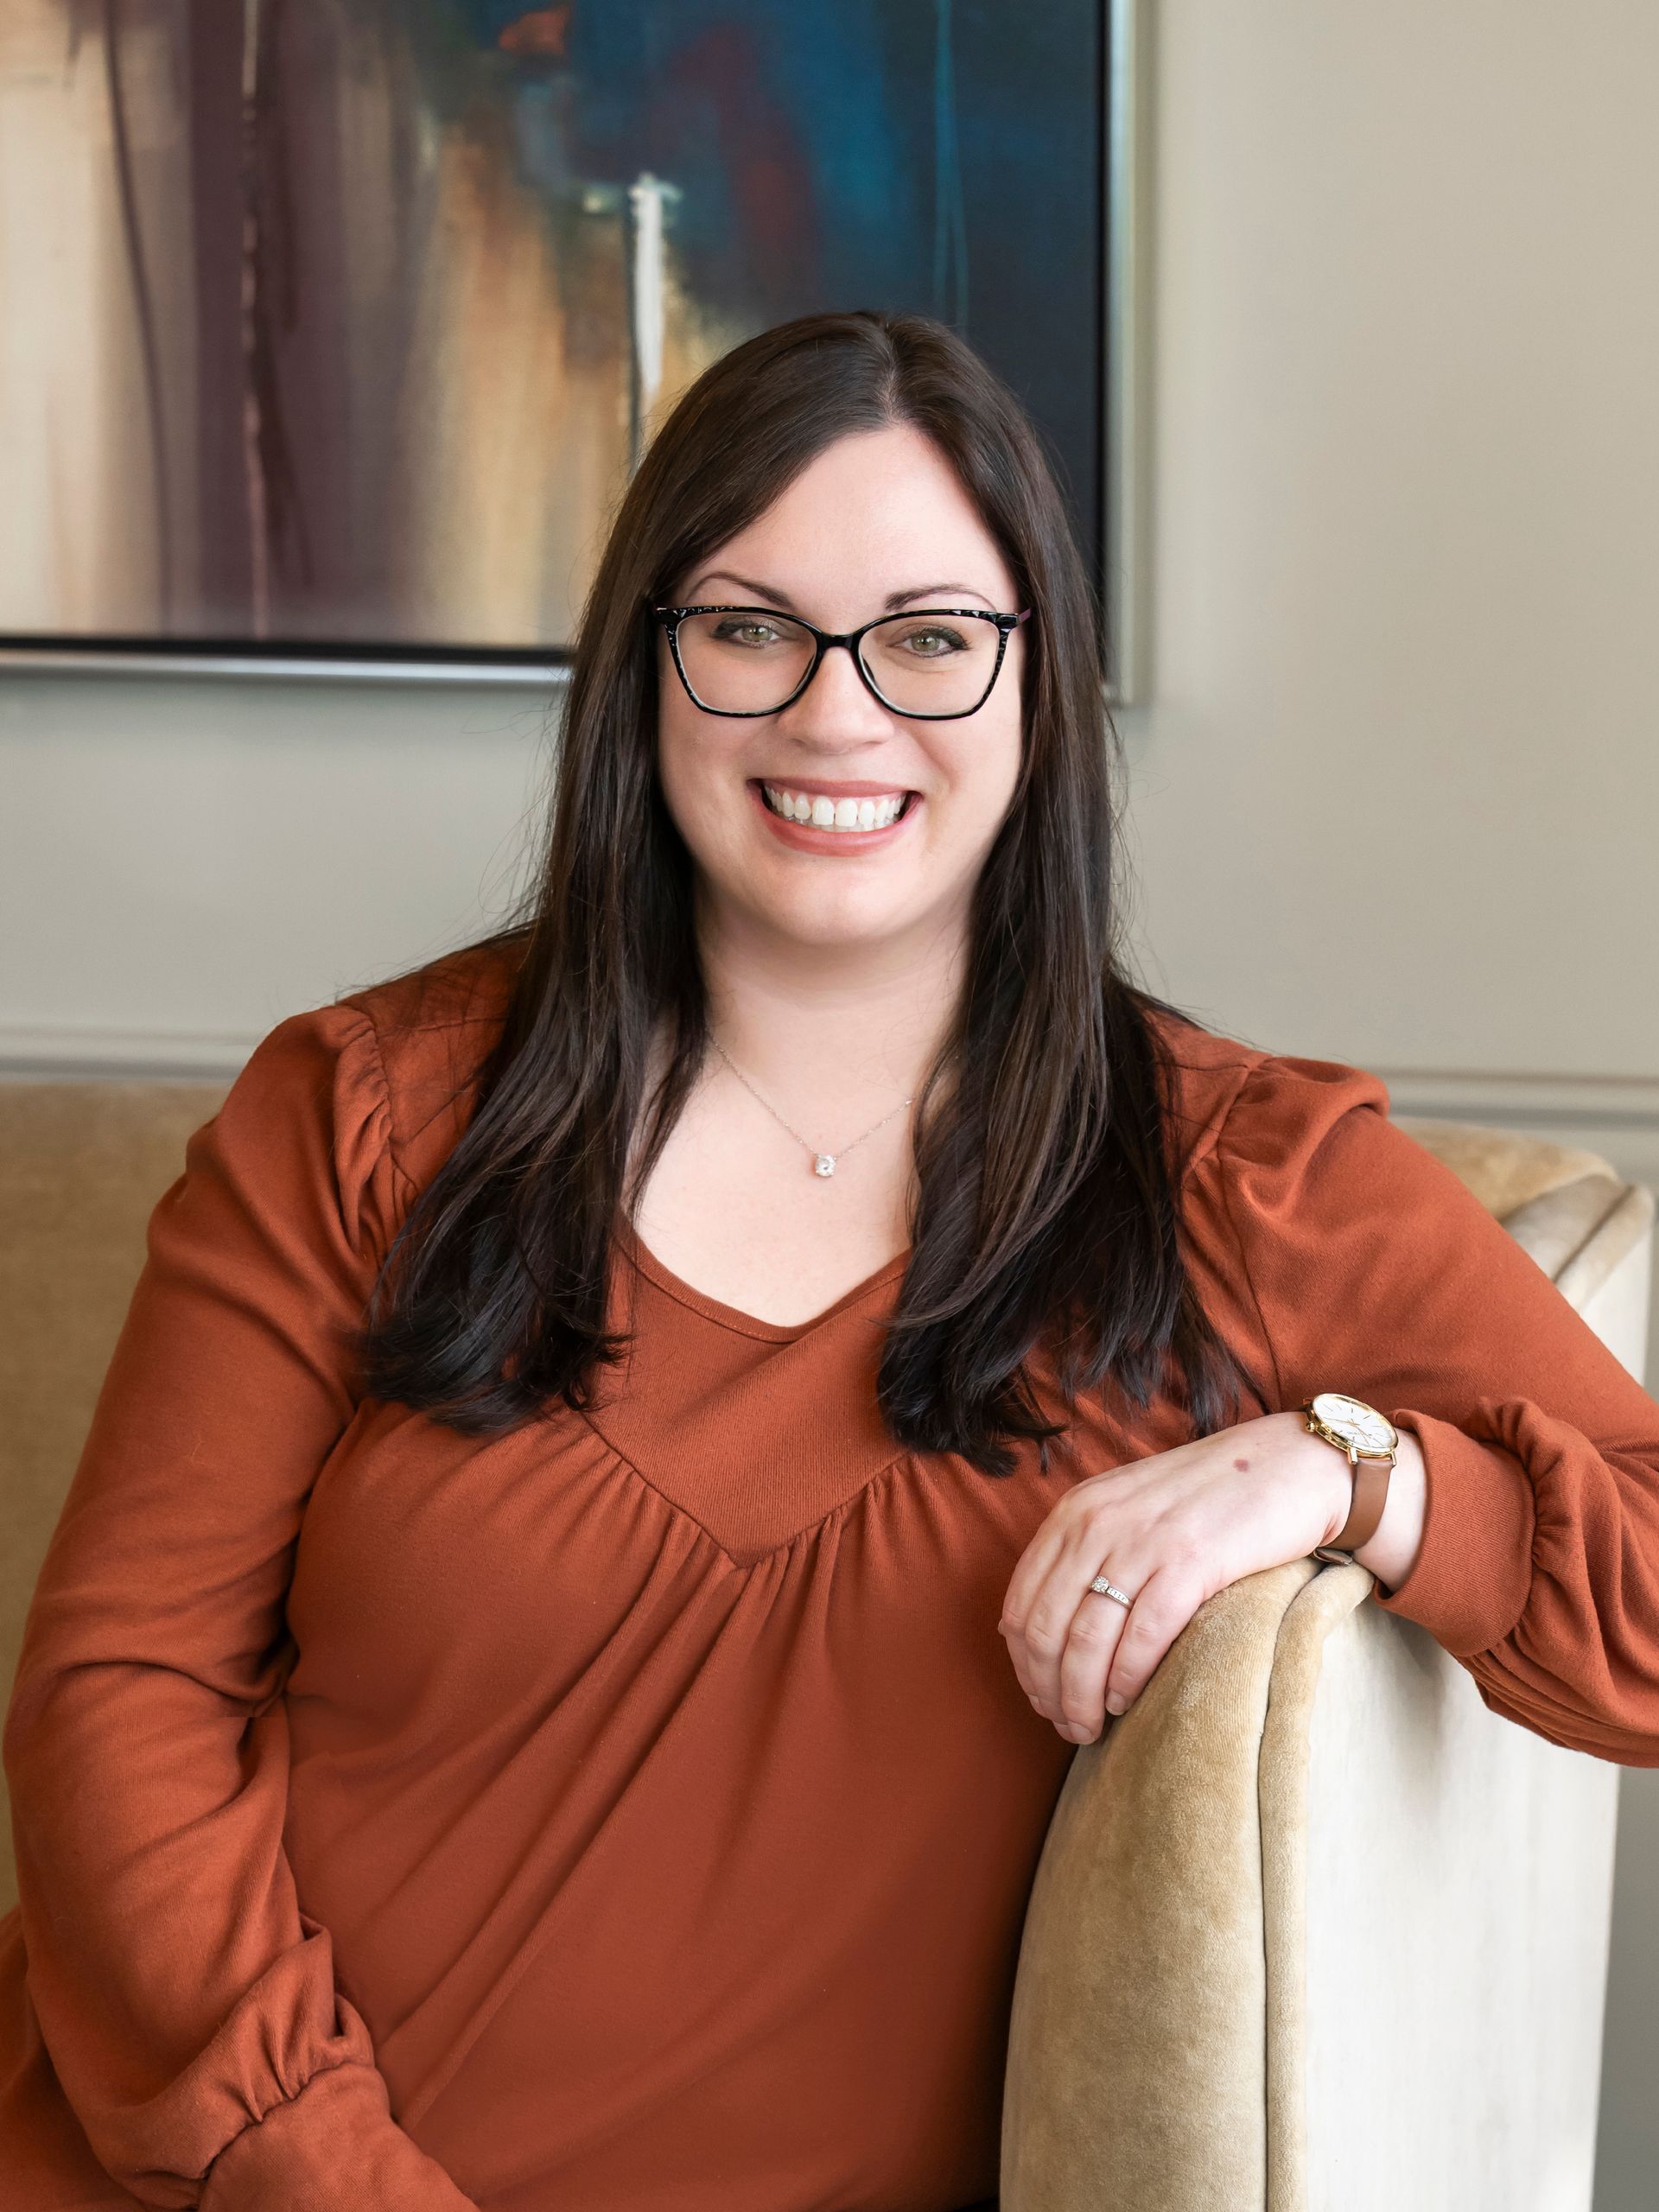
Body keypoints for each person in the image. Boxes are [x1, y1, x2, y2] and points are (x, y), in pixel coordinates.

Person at [3, 308, 1657, 2212]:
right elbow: (115, 1695)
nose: (837, 714)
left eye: (934, 638)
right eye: (749, 628)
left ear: (1042, 686)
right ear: (651, 668)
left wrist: (1355, 1473)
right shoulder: (362, 1114)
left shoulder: (1239, 1183)